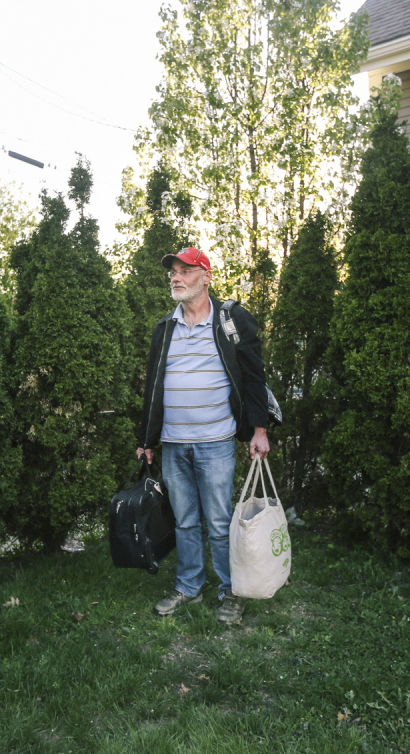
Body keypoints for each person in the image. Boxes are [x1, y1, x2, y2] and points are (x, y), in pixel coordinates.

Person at [137, 247, 270, 626]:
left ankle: (231, 591)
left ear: (206, 276)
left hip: (216, 441)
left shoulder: (231, 320)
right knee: (185, 521)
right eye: (173, 272)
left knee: (218, 521)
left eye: (185, 271)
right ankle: (189, 586)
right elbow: (153, 387)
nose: (176, 278)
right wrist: (147, 439)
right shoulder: (165, 328)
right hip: (174, 443)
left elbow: (254, 377)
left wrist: (259, 430)